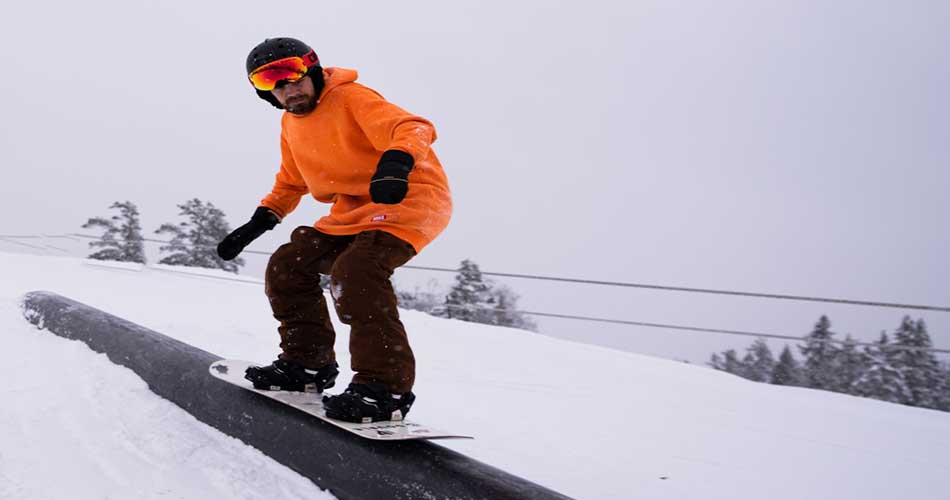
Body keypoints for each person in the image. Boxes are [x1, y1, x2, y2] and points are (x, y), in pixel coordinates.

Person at [217, 37, 452, 423]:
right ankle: (306, 365)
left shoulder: (351, 98)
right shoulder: (291, 124)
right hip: (352, 209)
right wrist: (259, 222)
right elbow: (291, 183)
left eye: (292, 74)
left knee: (356, 272)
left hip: (407, 198)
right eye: (270, 82)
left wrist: (395, 163)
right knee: (288, 265)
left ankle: (384, 388)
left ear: (311, 69)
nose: (287, 89)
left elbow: (414, 127)